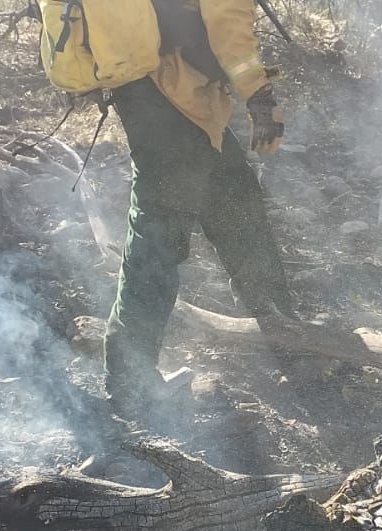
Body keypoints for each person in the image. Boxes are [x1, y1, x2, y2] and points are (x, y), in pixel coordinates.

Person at [102, 0, 294, 421]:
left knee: (234, 199)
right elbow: (227, 21)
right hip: (172, 94)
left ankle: (284, 330)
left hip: (170, 92)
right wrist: (259, 96)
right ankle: (130, 381)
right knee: (159, 232)